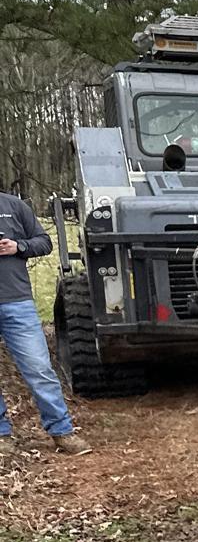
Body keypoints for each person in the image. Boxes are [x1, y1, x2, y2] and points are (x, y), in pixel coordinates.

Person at [0, 190, 90, 462]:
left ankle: (62, 431)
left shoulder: (13, 206)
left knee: (39, 369)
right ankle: (2, 435)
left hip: (17, 302)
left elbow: (44, 242)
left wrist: (19, 247)